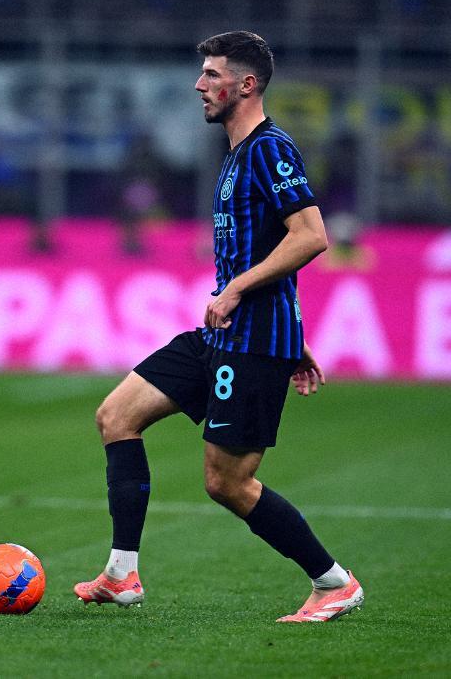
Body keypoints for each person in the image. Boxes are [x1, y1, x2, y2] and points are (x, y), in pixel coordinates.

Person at [74, 31, 364, 623]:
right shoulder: (237, 153)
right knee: (117, 416)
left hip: (250, 340)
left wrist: (239, 295)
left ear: (246, 84)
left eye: (211, 74)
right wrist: (294, 333)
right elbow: (271, 249)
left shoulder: (269, 150)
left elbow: (311, 236)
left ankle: (333, 582)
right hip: (224, 335)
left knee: (227, 482)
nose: (199, 85)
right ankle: (122, 574)